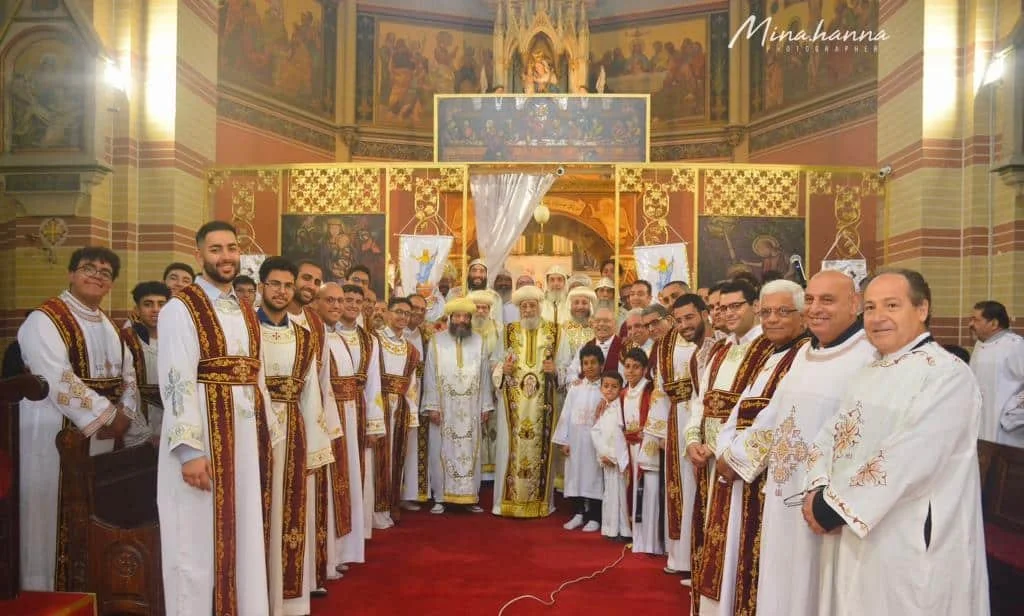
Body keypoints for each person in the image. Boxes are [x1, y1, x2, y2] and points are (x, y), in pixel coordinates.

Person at [803, 269, 989, 615]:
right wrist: (818, 485)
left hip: (908, 536)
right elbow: (831, 434)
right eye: (871, 307)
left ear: (922, 309)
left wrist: (834, 505)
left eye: (892, 305)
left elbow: (912, 453)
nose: (878, 317)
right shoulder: (869, 371)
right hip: (856, 527)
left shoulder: (945, 373)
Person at [157, 221, 280, 615]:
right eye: (215, 249)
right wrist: (188, 450)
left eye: (231, 248)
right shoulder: (180, 308)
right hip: (204, 441)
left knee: (242, 532)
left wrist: (268, 429)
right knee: (195, 538)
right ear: (199, 255)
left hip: (244, 437)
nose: (225, 257)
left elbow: (255, 373)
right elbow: (175, 379)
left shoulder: (244, 307)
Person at [18, 246, 138, 591]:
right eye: (88, 268)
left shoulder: (111, 326)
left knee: (92, 509)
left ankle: (88, 587)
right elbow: (55, 377)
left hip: (102, 436)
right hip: (53, 431)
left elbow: (128, 376)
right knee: (50, 514)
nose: (97, 276)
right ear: (71, 274)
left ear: (111, 284)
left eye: (105, 273)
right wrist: (107, 415)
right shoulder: (46, 318)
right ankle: (43, 590)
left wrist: (124, 417)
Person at [700, 280, 810, 616]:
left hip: (761, 474)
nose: (772, 319)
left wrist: (736, 458)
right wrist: (724, 447)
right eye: (767, 313)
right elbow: (741, 406)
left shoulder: (804, 355)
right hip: (735, 463)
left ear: (802, 316)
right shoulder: (769, 353)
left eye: (782, 312)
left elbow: (777, 416)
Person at [686, 279, 773, 600]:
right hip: (707, 459)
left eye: (736, 306)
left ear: (755, 307)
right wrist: (692, 438)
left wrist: (720, 446)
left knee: (736, 542)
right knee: (709, 533)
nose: (727, 313)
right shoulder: (720, 349)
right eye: (721, 307)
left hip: (738, 462)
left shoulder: (766, 348)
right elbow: (701, 399)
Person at [256, 257, 333, 616]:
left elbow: (312, 394)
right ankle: (254, 598)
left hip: (293, 438)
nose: (282, 291)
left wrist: (316, 450)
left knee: (290, 516)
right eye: (275, 284)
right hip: (252, 435)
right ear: (261, 287)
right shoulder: (245, 330)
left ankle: (289, 600)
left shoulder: (304, 337)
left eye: (287, 286)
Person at [644, 293, 714, 582]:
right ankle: (680, 556)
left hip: (706, 419)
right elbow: (660, 389)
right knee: (680, 488)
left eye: (688, 317)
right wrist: (659, 430)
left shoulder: (715, 338)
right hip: (677, 420)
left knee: (702, 488)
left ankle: (703, 558)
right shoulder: (666, 345)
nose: (683, 323)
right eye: (678, 318)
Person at [318, 283, 384, 565]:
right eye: (347, 300)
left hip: (355, 413)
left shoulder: (370, 340)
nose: (352, 305)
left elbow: (373, 385)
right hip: (330, 413)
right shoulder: (322, 334)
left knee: (355, 479)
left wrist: (373, 424)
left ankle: (349, 546)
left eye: (359, 301)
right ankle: (332, 550)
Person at [421, 297, 494, 513]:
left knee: (472, 450)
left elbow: (484, 377)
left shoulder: (479, 341)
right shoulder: (436, 341)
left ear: (470, 319)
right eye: (458, 316)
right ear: (450, 318)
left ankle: (470, 496)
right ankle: (440, 497)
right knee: (441, 450)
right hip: (445, 408)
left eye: (466, 316)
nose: (462, 320)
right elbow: (430, 375)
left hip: (472, 407)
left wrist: (485, 406)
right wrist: (432, 405)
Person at [493, 285, 558, 517]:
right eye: (524, 306)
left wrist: (556, 369)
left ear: (540, 307)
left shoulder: (555, 331)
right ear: (519, 309)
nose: (528, 310)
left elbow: (570, 367)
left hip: (544, 404)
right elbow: (494, 363)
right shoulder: (508, 330)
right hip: (514, 406)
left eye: (532, 305)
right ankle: (506, 503)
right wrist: (504, 368)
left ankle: (541, 503)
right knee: (510, 448)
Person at [372, 296, 420, 527]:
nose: (402, 317)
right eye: (398, 312)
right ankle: (374, 511)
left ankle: (391, 506)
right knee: (376, 459)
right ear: (388, 313)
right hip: (377, 404)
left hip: (399, 407)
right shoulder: (374, 340)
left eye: (407, 314)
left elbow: (411, 385)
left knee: (395, 457)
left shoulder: (410, 349)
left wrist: (412, 413)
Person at [552, 344, 606, 533]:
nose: (589, 367)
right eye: (585, 363)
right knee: (576, 476)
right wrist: (565, 440)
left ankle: (595, 516)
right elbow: (566, 414)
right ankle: (579, 513)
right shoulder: (575, 389)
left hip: (594, 444)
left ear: (601, 364)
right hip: (576, 441)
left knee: (594, 477)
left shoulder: (605, 388)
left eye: (593, 363)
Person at [621, 348, 665, 555]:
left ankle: (652, 542)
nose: (631, 371)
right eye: (627, 366)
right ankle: (638, 539)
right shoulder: (623, 392)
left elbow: (658, 415)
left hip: (648, 447)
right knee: (634, 492)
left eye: (636, 367)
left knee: (651, 492)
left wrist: (645, 431)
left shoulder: (650, 390)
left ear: (645, 369)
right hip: (629, 447)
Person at [122, 281, 171, 446]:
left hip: (171, 426)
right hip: (138, 427)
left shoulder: (178, 339)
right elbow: (126, 390)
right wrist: (143, 433)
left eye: (161, 304)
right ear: (137, 309)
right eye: (148, 304)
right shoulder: (126, 340)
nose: (156, 309)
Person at [969, 300, 1024, 446]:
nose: (970, 324)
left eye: (976, 320)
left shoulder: (1015, 345)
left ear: (993, 323)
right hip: (980, 426)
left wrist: (1012, 413)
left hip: (1007, 432)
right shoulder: (980, 345)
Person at [402, 293, 434, 508]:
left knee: (416, 448)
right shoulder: (394, 332)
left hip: (421, 396)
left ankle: (414, 493)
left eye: (423, 310)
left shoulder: (426, 335)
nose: (418, 312)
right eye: (414, 307)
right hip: (399, 397)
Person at [467, 290, 504, 479]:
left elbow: (504, 355)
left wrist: (496, 367)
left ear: (490, 310)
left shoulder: (499, 328)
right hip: (469, 387)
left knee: (493, 426)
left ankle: (492, 471)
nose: (481, 311)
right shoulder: (464, 329)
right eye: (477, 307)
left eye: (485, 308)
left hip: (493, 385)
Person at [591, 370, 630, 539]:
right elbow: (596, 432)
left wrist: (614, 456)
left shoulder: (621, 409)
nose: (609, 390)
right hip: (607, 459)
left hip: (618, 461)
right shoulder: (603, 410)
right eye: (606, 386)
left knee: (621, 495)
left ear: (621, 388)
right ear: (600, 388)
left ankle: (623, 530)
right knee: (609, 495)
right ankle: (609, 528)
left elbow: (622, 435)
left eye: (614, 387)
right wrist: (603, 454)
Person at [567, 305, 625, 380]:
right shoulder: (585, 347)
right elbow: (572, 372)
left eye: (606, 321)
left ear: (615, 324)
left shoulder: (624, 347)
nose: (601, 324)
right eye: (597, 321)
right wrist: (576, 382)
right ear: (592, 324)